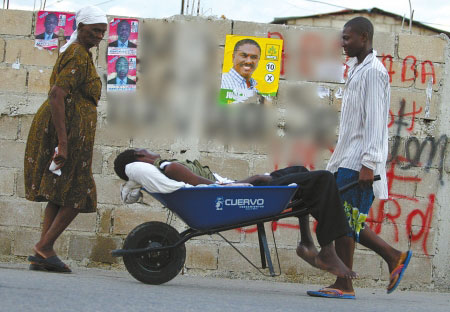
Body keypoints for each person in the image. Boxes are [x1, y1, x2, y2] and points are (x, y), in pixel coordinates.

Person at [113, 148, 360, 279]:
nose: (150, 148)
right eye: (144, 148)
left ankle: (307, 242)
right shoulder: (171, 166)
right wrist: (251, 180)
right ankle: (326, 250)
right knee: (324, 179)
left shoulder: (166, 167)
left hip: (238, 191)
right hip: (241, 193)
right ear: (140, 156)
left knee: (299, 171)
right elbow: (209, 188)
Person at [306, 17, 412, 299]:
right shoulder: (356, 70)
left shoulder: (374, 73)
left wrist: (369, 164)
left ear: (364, 37)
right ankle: (393, 256)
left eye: (347, 38)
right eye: (342, 38)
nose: (342, 43)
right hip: (347, 160)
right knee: (344, 220)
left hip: (360, 164)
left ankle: (345, 284)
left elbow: (377, 124)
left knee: (345, 224)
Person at [24, 6, 108, 273]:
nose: (99, 36)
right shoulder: (76, 54)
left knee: (60, 192)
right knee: (79, 192)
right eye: (94, 30)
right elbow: (57, 95)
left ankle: (42, 250)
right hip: (68, 132)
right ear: (80, 27)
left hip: (73, 132)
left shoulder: (81, 53)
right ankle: (45, 248)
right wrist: (63, 142)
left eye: (102, 32)